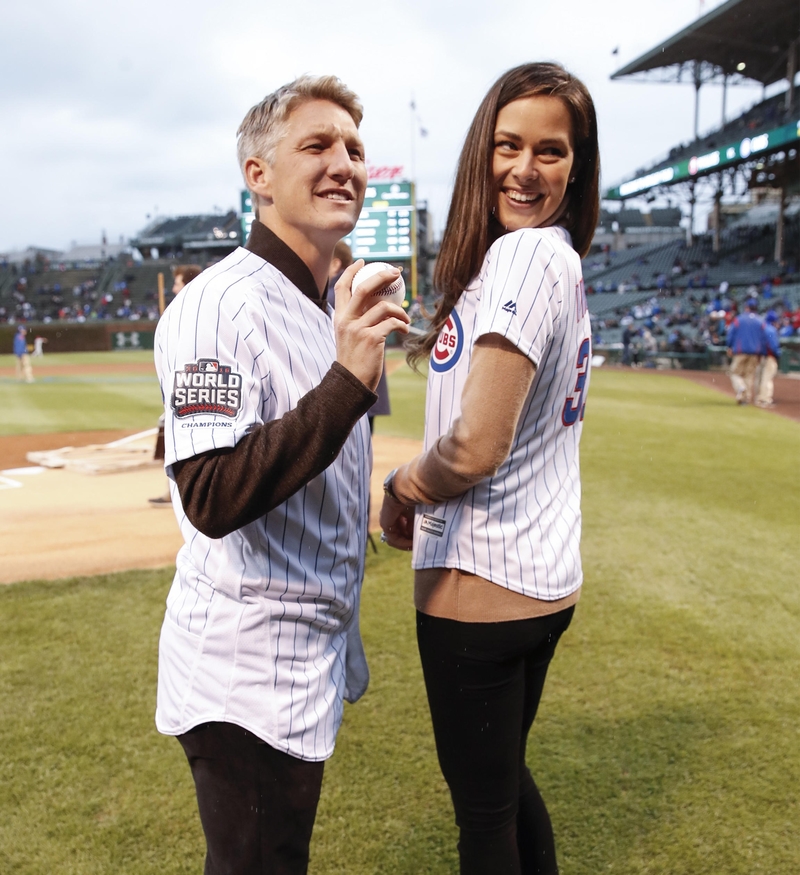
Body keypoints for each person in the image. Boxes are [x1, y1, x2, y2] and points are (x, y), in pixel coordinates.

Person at [153, 74, 408, 874]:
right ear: (257, 175)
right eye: (318, 145)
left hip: (306, 651)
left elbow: (337, 457)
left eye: (356, 150)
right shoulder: (220, 304)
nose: (346, 164)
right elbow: (213, 494)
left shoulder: (330, 301)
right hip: (243, 665)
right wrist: (348, 380)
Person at [380, 62, 599, 874]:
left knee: (483, 816)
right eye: (509, 145)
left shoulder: (525, 259)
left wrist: (400, 487)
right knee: (502, 788)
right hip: (534, 574)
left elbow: (475, 446)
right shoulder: (544, 259)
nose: (525, 168)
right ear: (484, 151)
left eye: (551, 151)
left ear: (577, 166)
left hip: (483, 585)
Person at [149, 263, 204, 506]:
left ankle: (183, 493)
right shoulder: (182, 312)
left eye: (178, 283)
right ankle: (173, 492)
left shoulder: (196, 313)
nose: (173, 288)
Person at [327, 241, 392, 430]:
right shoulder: (364, 291)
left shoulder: (336, 296)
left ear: (336, 264)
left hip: (347, 390)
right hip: (370, 387)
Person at [726, 298, 766, 405]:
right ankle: (746, 399)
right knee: (749, 375)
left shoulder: (739, 319)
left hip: (740, 351)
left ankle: (740, 386)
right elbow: (764, 338)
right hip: (755, 353)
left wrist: (729, 346)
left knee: (734, 373)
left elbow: (731, 334)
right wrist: (762, 352)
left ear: (746, 307)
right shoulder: (760, 320)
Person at [755, 309, 780, 408]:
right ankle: (765, 399)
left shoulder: (760, 328)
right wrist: (777, 354)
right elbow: (773, 345)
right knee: (767, 378)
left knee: (759, 378)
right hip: (768, 356)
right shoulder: (770, 329)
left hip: (759, 356)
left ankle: (758, 398)